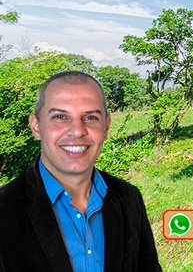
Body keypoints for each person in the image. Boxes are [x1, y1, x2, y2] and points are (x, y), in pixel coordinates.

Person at [0, 71, 162, 272]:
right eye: (60, 116)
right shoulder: (4, 209)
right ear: (36, 126)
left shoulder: (129, 198)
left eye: (90, 117)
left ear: (106, 126)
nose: (77, 131)